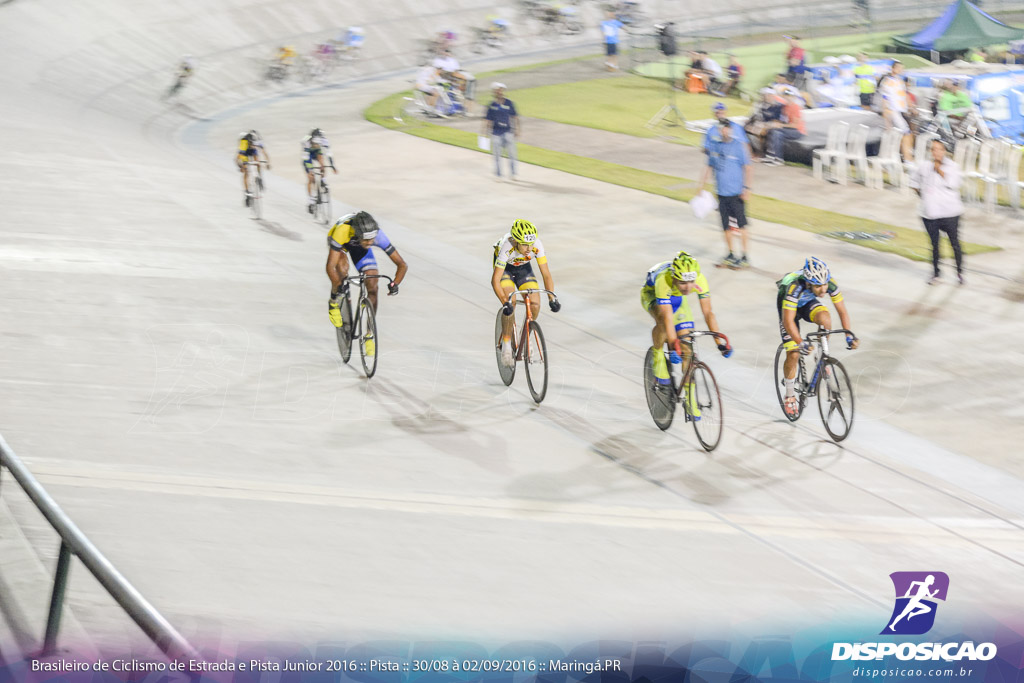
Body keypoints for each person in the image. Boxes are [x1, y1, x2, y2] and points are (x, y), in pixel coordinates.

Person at [641, 251, 732, 417]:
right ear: (675, 277)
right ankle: (658, 355)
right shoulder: (664, 280)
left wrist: (719, 341)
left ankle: (690, 401)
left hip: (677, 301)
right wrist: (673, 344)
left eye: (691, 282)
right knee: (662, 321)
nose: (688, 287)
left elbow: (708, 313)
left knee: (688, 350)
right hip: (652, 296)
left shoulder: (699, 279)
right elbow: (668, 317)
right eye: (683, 282)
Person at [776, 257, 858, 417]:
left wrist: (848, 334)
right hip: (788, 307)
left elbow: (842, 311)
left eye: (825, 284)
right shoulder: (794, 287)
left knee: (825, 318)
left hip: (806, 302)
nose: (823, 289)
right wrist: (800, 343)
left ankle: (822, 354)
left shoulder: (829, 283)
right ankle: (790, 395)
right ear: (808, 282)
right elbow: (788, 321)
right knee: (793, 352)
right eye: (818, 286)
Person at [326, 211, 408, 356]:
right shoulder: (342, 231)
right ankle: (334, 302)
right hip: (342, 244)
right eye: (367, 241)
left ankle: (369, 334)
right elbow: (329, 267)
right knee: (342, 270)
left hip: (358, 247)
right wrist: (337, 286)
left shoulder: (377, 236)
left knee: (373, 284)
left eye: (372, 241)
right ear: (357, 234)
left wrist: (395, 283)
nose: (370, 243)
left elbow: (402, 264)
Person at [491, 219, 558, 367]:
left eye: (531, 244)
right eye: (524, 244)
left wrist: (552, 297)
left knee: (535, 304)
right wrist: (505, 302)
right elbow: (495, 280)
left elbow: (546, 274)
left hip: (523, 268)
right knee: (512, 302)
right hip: (506, 270)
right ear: (516, 241)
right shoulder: (506, 247)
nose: (529, 248)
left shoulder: (536, 245)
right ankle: (507, 344)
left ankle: (526, 335)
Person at [698, 113, 752, 267]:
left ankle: (745, 256)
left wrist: (747, 188)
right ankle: (730, 254)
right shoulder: (715, 146)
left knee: (741, 225)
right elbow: (709, 166)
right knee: (725, 226)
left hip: (736, 193)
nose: (724, 132)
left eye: (726, 129)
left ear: (730, 129)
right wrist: (701, 186)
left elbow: (748, 167)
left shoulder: (738, 146)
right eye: (721, 129)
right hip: (721, 193)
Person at [909, 139, 965, 286]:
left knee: (954, 243)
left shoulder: (953, 167)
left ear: (944, 151)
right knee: (935, 244)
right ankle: (936, 274)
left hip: (950, 212)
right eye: (933, 149)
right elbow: (913, 182)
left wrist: (939, 170)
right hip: (930, 213)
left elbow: (954, 184)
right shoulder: (924, 166)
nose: (936, 152)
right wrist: (923, 196)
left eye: (939, 149)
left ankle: (959, 273)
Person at [483, 83, 520, 180]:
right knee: (497, 155)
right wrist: (485, 132)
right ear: (494, 92)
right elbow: (488, 120)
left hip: (508, 132)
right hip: (496, 133)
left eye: (501, 90)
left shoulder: (509, 103)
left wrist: (517, 129)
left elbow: (515, 117)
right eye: (497, 90)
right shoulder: (491, 105)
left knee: (512, 154)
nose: (499, 92)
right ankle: (499, 175)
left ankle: (513, 173)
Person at [880, 61, 913, 161]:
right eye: (899, 68)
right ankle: (907, 158)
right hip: (892, 111)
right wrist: (886, 113)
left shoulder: (900, 81)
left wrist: (911, 107)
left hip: (899, 112)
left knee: (903, 134)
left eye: (902, 68)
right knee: (906, 132)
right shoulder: (887, 81)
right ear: (893, 69)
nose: (901, 70)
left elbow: (904, 96)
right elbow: (884, 98)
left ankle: (904, 156)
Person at [764, 87, 804, 165]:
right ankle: (771, 156)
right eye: (786, 96)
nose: (787, 97)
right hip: (788, 129)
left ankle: (778, 158)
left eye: (789, 96)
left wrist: (780, 125)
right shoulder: (785, 106)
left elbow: (795, 125)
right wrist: (774, 124)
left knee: (776, 132)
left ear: (793, 97)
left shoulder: (795, 107)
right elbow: (783, 120)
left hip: (798, 131)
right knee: (773, 131)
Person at [302, 128, 337, 213]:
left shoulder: (324, 140)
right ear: (312, 140)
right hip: (308, 155)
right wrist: (310, 170)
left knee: (322, 164)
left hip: (317, 152)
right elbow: (306, 159)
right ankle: (311, 200)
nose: (317, 144)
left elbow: (329, 153)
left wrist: (332, 165)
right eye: (315, 143)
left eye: (319, 143)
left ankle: (323, 181)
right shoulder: (306, 141)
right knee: (311, 178)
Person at [744, 88, 784, 157]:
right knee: (748, 128)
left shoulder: (778, 106)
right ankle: (753, 152)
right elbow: (753, 116)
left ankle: (759, 153)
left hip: (772, 125)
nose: (765, 97)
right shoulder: (761, 104)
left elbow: (777, 121)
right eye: (765, 95)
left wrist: (763, 125)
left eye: (768, 95)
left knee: (758, 131)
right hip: (761, 124)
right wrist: (749, 123)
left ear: (773, 96)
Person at [236, 130, 271, 206]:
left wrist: (268, 162)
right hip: (245, 153)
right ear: (249, 142)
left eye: (254, 144)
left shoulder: (258, 143)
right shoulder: (244, 144)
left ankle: (259, 178)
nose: (253, 145)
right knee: (246, 172)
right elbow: (237, 158)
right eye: (252, 144)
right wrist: (240, 166)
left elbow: (264, 152)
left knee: (257, 162)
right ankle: (247, 192)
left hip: (252, 151)